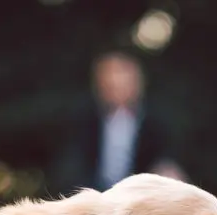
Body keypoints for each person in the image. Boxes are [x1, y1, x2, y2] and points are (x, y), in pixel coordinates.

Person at [54, 50, 184, 193]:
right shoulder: (81, 118)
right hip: (93, 200)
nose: (115, 82)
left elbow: (166, 160)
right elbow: (71, 167)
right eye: (108, 77)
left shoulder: (159, 121)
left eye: (122, 75)